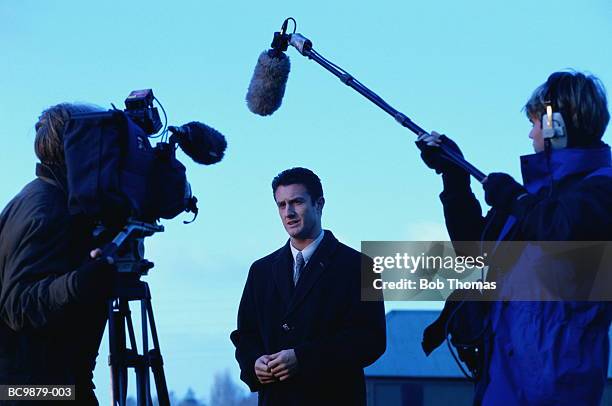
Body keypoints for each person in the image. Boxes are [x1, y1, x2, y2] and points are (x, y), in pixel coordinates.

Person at [418, 71, 612, 405]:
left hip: (557, 389)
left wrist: (516, 200)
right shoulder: (534, 200)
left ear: (556, 125)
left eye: (537, 122)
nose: (530, 133)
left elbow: (561, 230)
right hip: (502, 382)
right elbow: (474, 249)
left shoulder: (600, 189)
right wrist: (455, 176)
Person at [230, 167, 386, 406]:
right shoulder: (260, 271)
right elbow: (246, 335)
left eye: (296, 202)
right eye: (281, 205)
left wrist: (303, 359)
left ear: (319, 204)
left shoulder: (361, 266)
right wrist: (253, 363)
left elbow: (370, 340)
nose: (288, 212)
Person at [0, 103, 115, 405]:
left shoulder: (51, 198)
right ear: (76, 150)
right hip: (30, 392)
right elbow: (17, 304)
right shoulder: (45, 210)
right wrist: (78, 283)